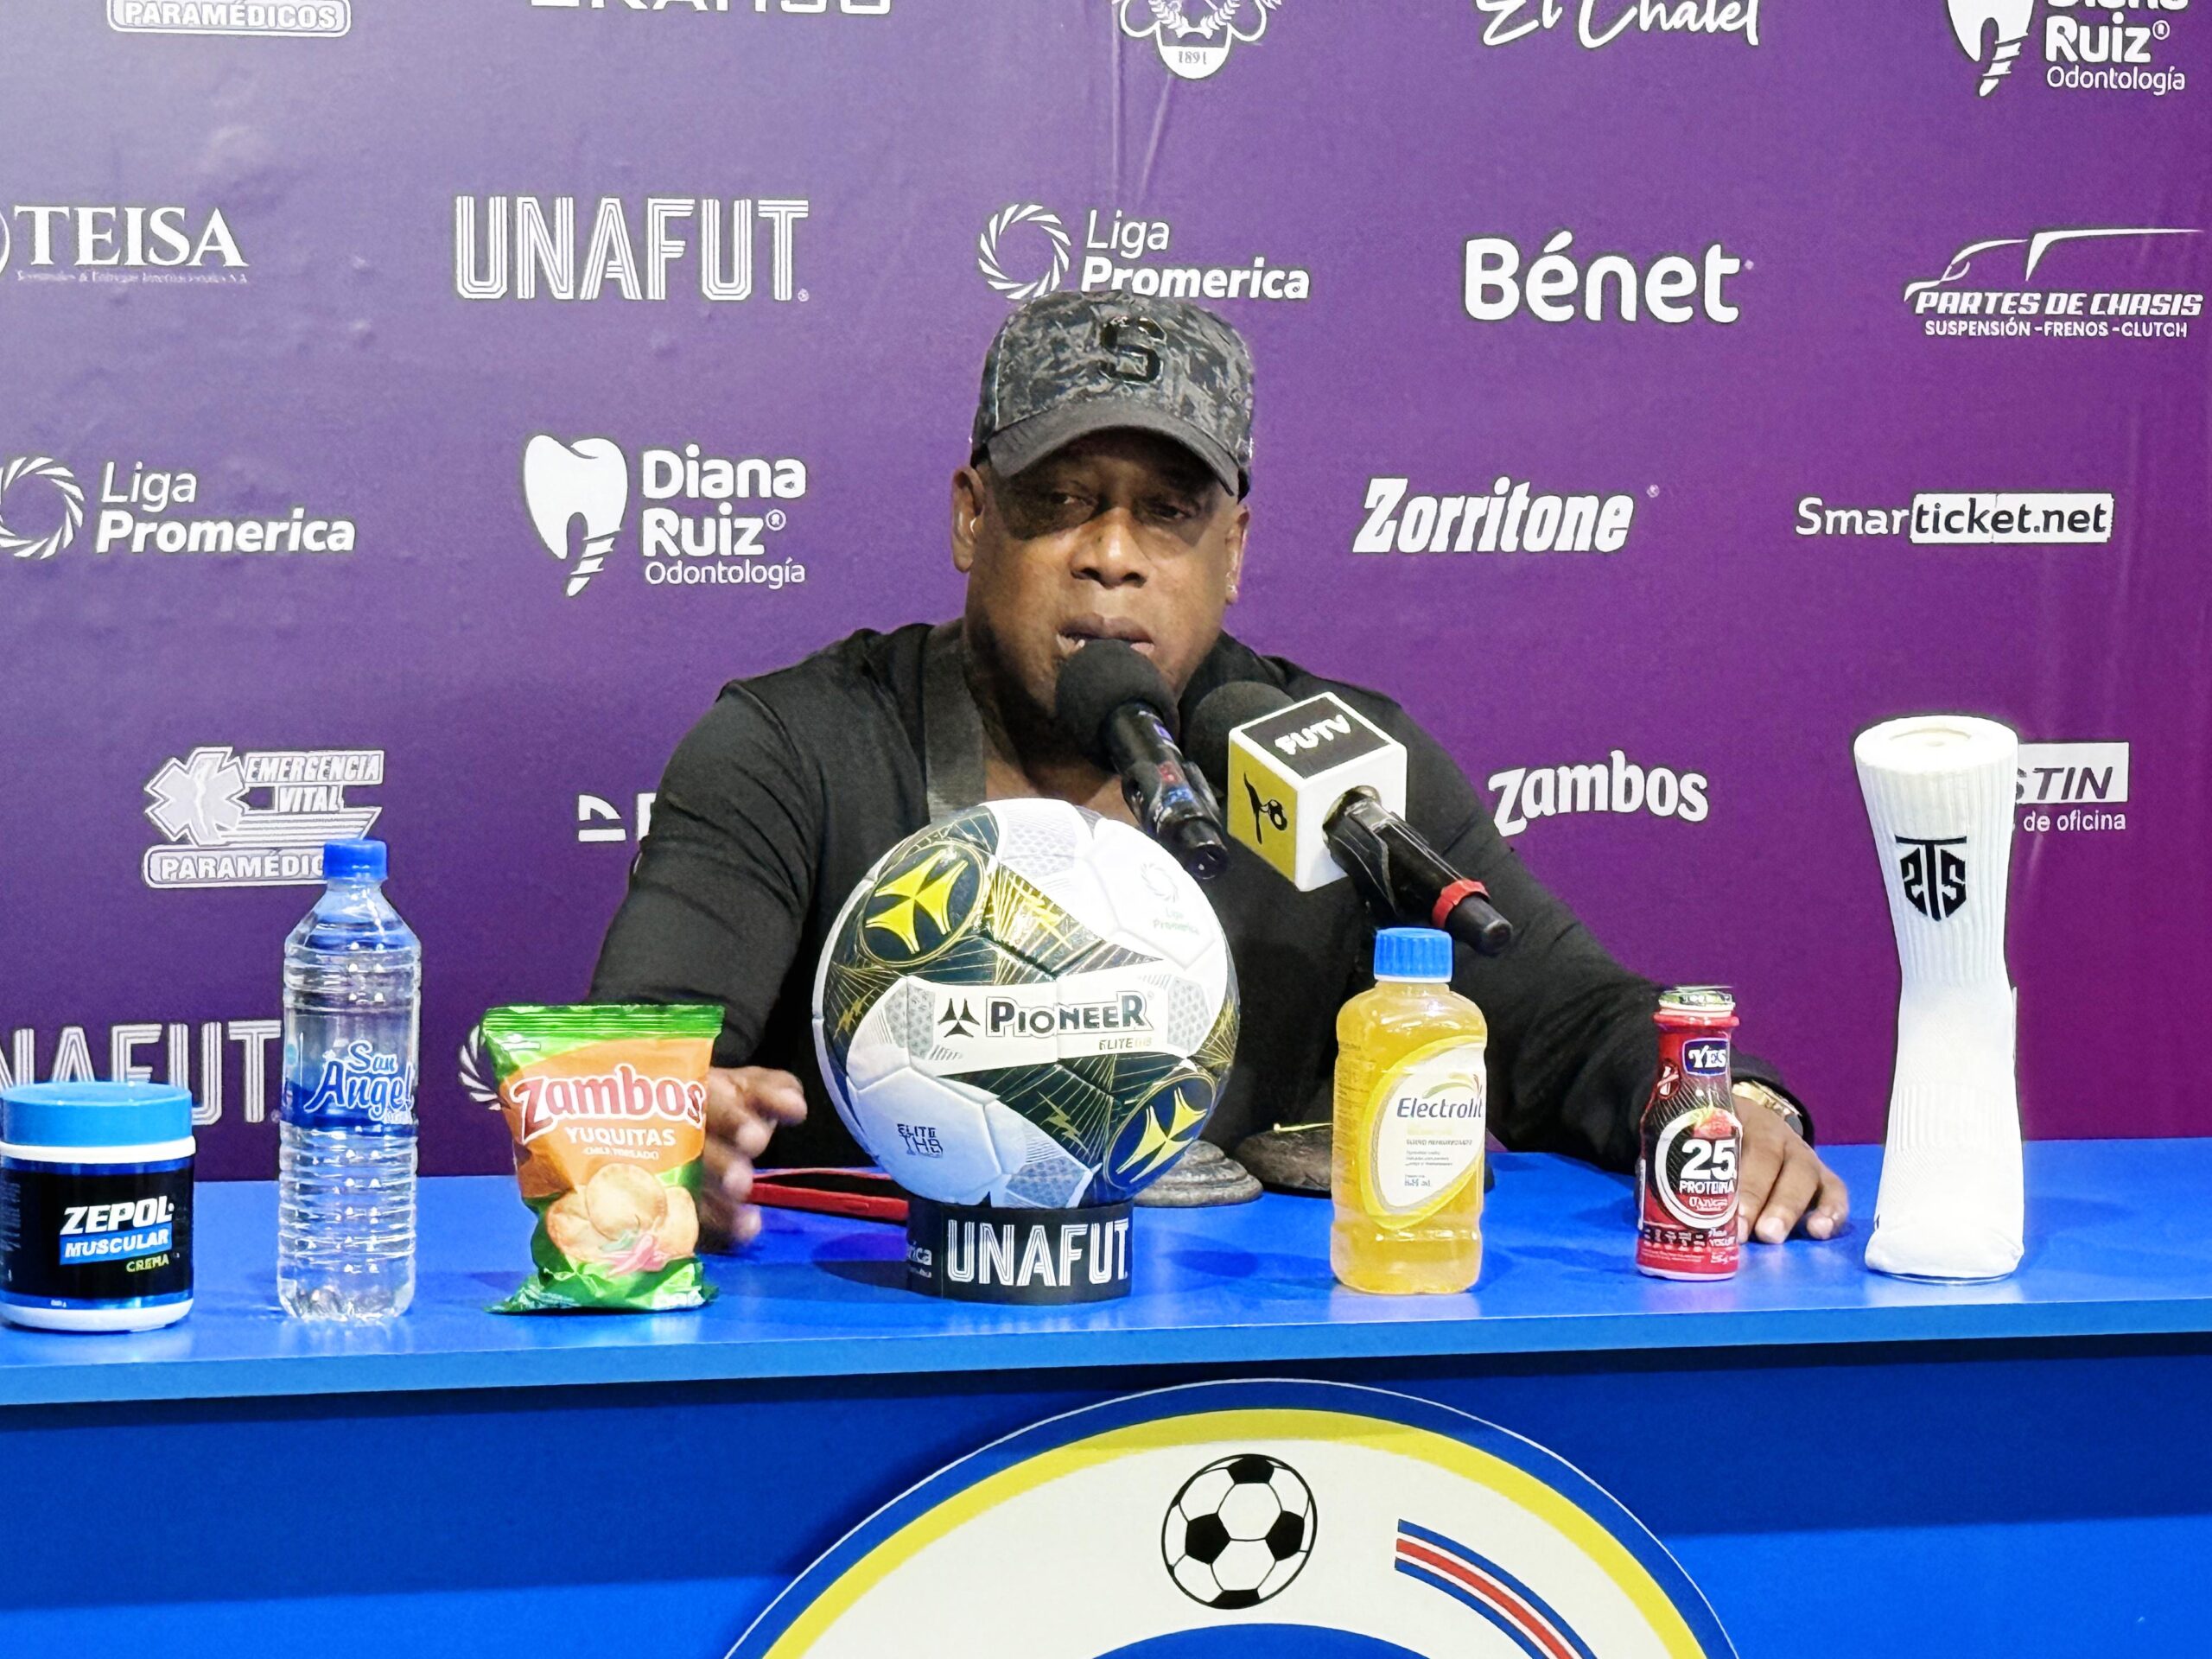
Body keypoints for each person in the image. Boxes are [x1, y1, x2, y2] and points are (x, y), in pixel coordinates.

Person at [591, 293, 1848, 1252]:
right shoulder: (796, 747)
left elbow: (1572, 1020)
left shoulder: (1341, 768)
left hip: (1242, 1373)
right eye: (1061, 500)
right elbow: (628, 1066)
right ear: (973, 517)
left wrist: (1723, 1106)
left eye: (1168, 513)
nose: (1113, 555)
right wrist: (669, 1132)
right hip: (876, 1357)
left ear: (1233, 550)